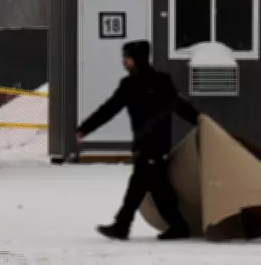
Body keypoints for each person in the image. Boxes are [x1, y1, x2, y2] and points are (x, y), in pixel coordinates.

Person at [75, 39, 201, 241]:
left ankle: (122, 225)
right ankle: (177, 226)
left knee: (140, 184)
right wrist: (85, 128)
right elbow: (109, 109)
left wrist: (199, 119)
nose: (124, 62)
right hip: (150, 145)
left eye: (127, 58)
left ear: (137, 59)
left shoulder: (155, 83)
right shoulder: (137, 84)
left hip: (154, 146)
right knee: (158, 188)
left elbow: (179, 106)